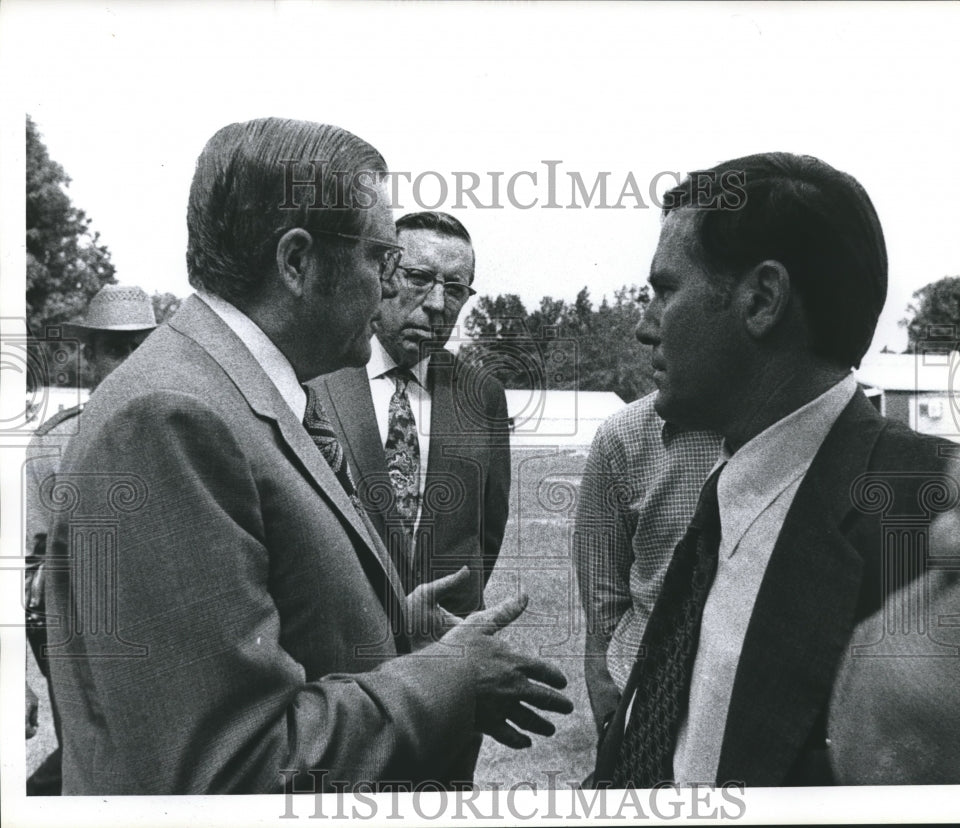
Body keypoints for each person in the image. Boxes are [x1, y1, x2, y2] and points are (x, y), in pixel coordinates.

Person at [43, 117, 571, 795]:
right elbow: (229, 771)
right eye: (382, 260)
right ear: (296, 262)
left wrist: (386, 623)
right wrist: (449, 676)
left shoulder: (237, 390)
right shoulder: (172, 418)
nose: (389, 289)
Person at [592, 152, 960, 787]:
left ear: (762, 299)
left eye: (665, 291)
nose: (642, 328)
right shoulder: (730, 488)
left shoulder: (933, 517)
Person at [308, 211, 509, 617]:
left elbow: (488, 534)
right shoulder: (316, 378)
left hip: (446, 648)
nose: (437, 304)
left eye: (455, 288)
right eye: (418, 278)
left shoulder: (481, 395)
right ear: (382, 275)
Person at [24, 283, 157, 795]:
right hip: (78, 640)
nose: (126, 362)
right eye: (112, 349)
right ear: (91, 354)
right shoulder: (54, 441)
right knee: (91, 768)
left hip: (163, 634)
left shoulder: (184, 425)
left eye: (139, 347)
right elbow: (27, 566)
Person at [572, 394, 717, 740]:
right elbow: (603, 615)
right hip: (646, 712)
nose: (647, 336)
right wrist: (612, 736)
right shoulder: (623, 437)